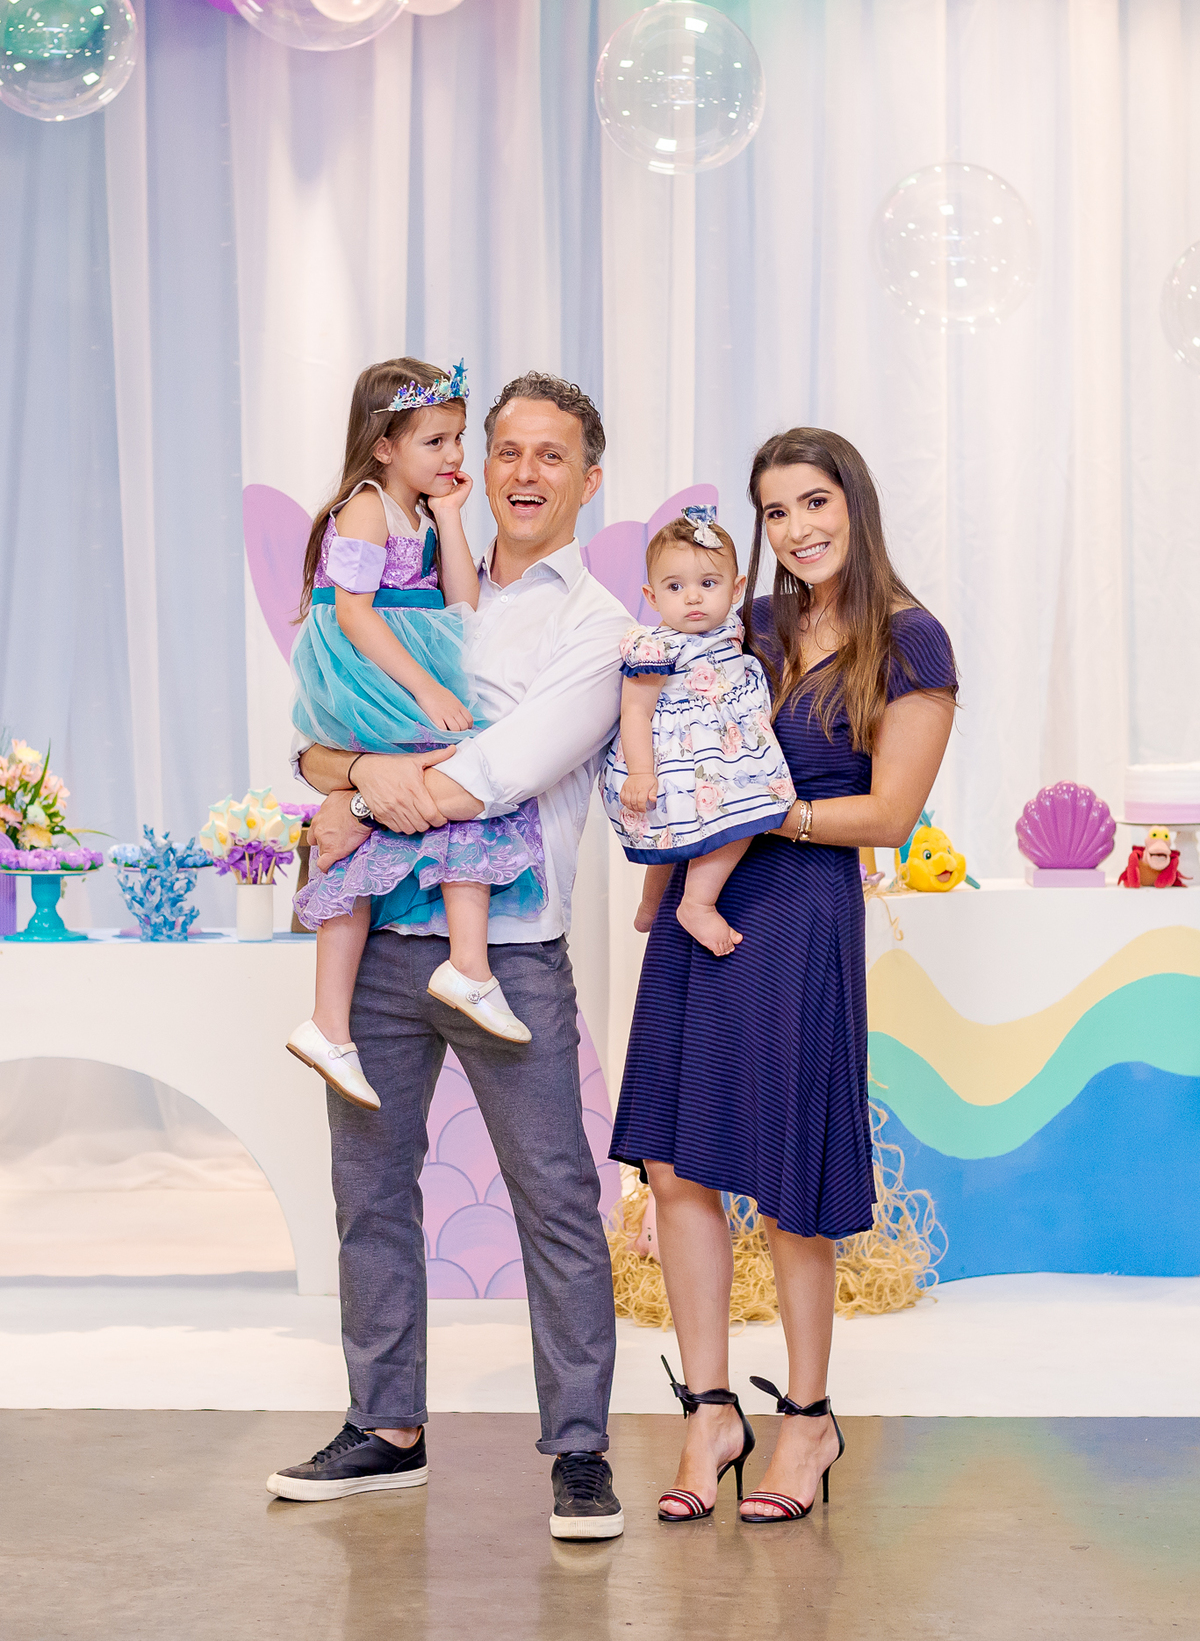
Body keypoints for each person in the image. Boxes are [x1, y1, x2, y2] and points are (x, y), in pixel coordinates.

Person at [266, 371, 631, 1543]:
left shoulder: (600, 627)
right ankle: (385, 1428)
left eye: (550, 454)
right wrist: (346, 770)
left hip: (506, 951)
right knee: (368, 1187)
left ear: (589, 478)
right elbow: (317, 735)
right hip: (380, 938)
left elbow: (499, 771)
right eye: (506, 448)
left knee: (556, 1197)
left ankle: (579, 1448)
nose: (522, 471)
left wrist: (359, 784)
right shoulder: (416, 560)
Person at [608, 427, 958, 1526]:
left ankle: (807, 1418)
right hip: (694, 909)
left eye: (815, 502)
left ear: (855, 502)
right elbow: (648, 704)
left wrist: (767, 812)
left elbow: (890, 816)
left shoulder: (911, 640)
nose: (798, 529)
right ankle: (711, 1412)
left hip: (798, 915)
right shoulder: (745, 621)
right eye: (775, 511)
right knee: (676, 1168)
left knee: (791, 1178)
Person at [287, 358, 544, 1115]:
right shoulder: (367, 508)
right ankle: (437, 979)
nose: (453, 455)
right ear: (383, 447)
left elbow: (462, 605)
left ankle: (352, 1014)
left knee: (404, 818)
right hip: (369, 674)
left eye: (458, 439)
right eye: (435, 441)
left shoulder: (423, 517)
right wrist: (426, 689)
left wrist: (454, 516)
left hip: (403, 665)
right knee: (465, 776)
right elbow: (352, 612)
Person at [600, 506, 794, 956]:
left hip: (724, 745)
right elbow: (635, 712)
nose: (692, 598)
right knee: (745, 809)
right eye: (675, 587)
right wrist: (641, 772)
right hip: (679, 756)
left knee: (683, 832)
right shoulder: (655, 645)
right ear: (651, 596)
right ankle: (696, 903)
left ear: (736, 589)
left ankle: (651, 907)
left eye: (708, 584)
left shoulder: (733, 628)